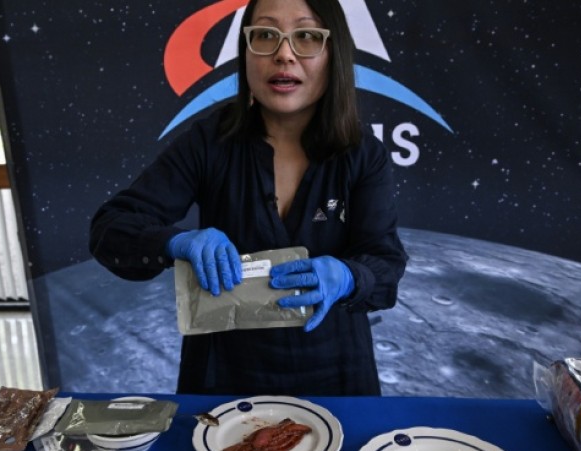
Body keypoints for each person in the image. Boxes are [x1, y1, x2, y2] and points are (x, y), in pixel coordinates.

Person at [89, 0, 407, 396]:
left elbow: (386, 262)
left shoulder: (363, 154)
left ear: (334, 54)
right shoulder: (209, 142)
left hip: (338, 375)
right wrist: (175, 242)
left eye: (306, 36)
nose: (284, 54)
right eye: (265, 35)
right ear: (245, 51)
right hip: (224, 377)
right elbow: (110, 227)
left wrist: (348, 276)